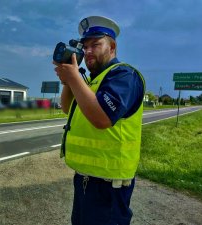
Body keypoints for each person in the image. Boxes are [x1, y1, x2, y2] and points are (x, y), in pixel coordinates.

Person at [53, 16, 145, 225]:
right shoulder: (93, 81)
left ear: (112, 47)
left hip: (109, 186)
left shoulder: (124, 76)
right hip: (85, 179)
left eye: (96, 44)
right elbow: (68, 108)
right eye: (85, 47)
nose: (88, 52)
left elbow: (101, 119)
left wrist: (74, 77)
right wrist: (69, 80)